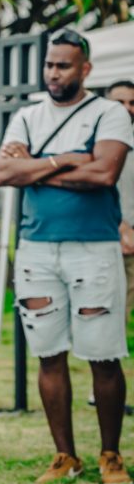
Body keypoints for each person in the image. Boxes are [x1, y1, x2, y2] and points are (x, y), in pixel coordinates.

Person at [0, 30, 132, 484]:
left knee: (103, 353)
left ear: (85, 69)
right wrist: (66, 161)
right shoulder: (28, 115)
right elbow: (3, 172)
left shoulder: (109, 112)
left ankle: (110, 454)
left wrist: (35, 166)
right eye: (50, 65)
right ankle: (65, 455)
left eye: (64, 65)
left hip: (93, 246)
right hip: (37, 248)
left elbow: (105, 172)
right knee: (48, 352)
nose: (54, 73)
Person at [107, 80, 134, 318]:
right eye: (120, 102)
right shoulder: (97, 142)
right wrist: (121, 226)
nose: (127, 107)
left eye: (132, 102)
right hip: (107, 234)